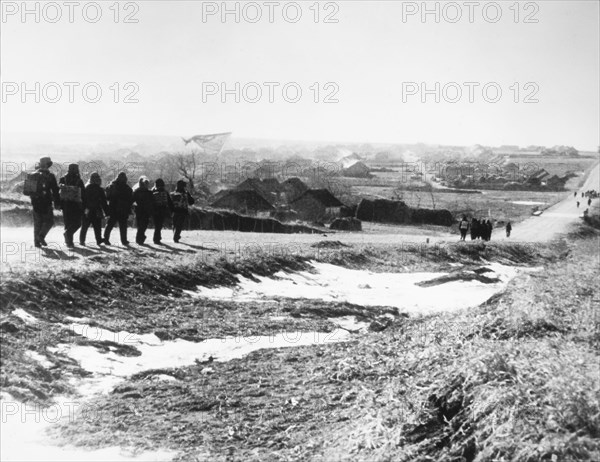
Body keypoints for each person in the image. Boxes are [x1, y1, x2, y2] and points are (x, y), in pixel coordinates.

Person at [24, 157, 61, 248]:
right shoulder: (50, 176)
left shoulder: (33, 175)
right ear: (47, 165)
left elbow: (26, 192)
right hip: (46, 202)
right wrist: (57, 202)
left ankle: (37, 242)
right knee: (49, 221)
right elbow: (55, 191)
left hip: (35, 202)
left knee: (37, 223)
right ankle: (41, 236)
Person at [59, 164, 86, 248]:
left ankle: (69, 242)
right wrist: (84, 205)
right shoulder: (78, 180)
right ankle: (68, 239)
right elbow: (83, 194)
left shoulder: (62, 179)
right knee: (77, 223)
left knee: (68, 223)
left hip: (65, 204)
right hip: (76, 205)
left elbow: (58, 191)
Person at [104, 172, 133, 246]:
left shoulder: (112, 186)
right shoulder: (127, 188)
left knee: (110, 225)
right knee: (123, 226)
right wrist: (129, 210)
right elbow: (130, 200)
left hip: (113, 208)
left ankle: (106, 239)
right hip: (123, 209)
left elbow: (107, 197)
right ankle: (124, 241)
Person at [80, 172, 109, 246]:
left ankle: (82, 241)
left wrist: (83, 209)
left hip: (87, 210)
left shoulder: (86, 188)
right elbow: (103, 202)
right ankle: (98, 240)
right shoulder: (100, 189)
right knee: (97, 227)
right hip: (96, 210)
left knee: (85, 226)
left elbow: (83, 200)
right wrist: (107, 212)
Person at [132, 176, 154, 245]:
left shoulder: (137, 191)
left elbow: (132, 200)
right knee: (143, 225)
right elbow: (152, 202)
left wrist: (134, 207)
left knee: (140, 225)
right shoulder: (149, 192)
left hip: (139, 210)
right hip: (145, 211)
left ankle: (140, 238)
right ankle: (140, 239)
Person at [151, 178, 174, 245]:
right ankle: (157, 239)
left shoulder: (152, 191)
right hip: (162, 210)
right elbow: (169, 202)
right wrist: (172, 210)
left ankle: (157, 238)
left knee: (157, 225)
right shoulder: (165, 192)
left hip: (155, 210)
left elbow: (151, 202)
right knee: (159, 225)